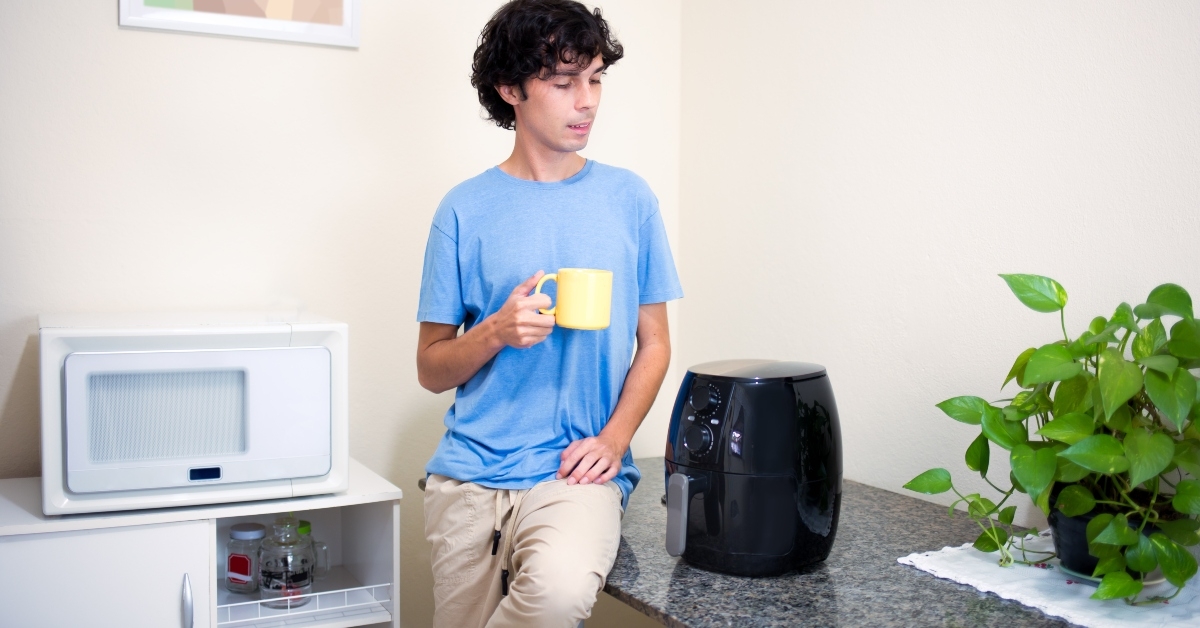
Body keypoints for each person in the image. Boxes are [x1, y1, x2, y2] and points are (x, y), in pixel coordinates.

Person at [416, 1, 683, 626]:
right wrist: (497, 331)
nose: (586, 100)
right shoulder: (463, 209)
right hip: (469, 474)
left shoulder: (630, 199)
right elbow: (430, 369)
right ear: (510, 90)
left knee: (558, 596)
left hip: (575, 472)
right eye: (564, 84)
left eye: (594, 79)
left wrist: (615, 441)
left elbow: (656, 343)